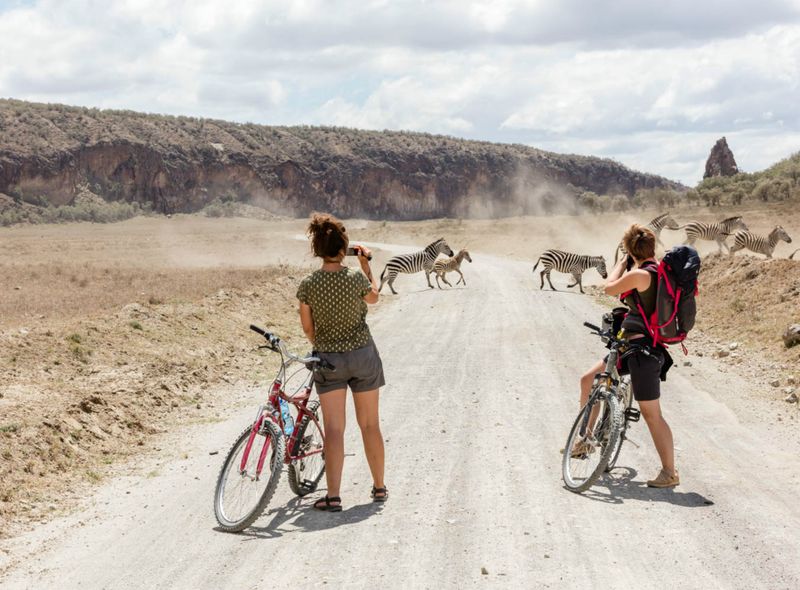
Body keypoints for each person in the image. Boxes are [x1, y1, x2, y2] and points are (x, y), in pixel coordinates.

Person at [296, 212, 387, 511]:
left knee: (334, 429)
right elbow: (373, 299)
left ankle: (333, 495)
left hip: (328, 361)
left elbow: (308, 328)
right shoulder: (355, 277)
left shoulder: (309, 284)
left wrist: (323, 346)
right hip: (363, 355)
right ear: (342, 248)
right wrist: (365, 265)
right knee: (370, 424)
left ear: (318, 249)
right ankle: (378, 488)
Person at [577, 224, 678, 488]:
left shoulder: (644, 274)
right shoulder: (654, 270)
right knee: (588, 380)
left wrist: (622, 262)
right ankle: (584, 442)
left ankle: (669, 472)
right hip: (628, 348)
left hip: (643, 352)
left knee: (651, 414)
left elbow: (608, 288)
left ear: (631, 251)